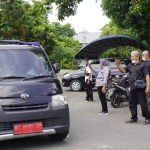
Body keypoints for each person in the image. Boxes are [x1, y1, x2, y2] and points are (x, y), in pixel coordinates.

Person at [115, 51, 150, 124]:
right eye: (131, 56)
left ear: (137, 57)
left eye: (132, 56)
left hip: (140, 88)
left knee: (143, 104)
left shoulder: (143, 65)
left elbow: (147, 75)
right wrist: (118, 65)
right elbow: (123, 71)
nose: (131, 58)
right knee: (131, 103)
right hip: (132, 88)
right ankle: (134, 118)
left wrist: (148, 87)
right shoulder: (130, 65)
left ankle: (147, 118)